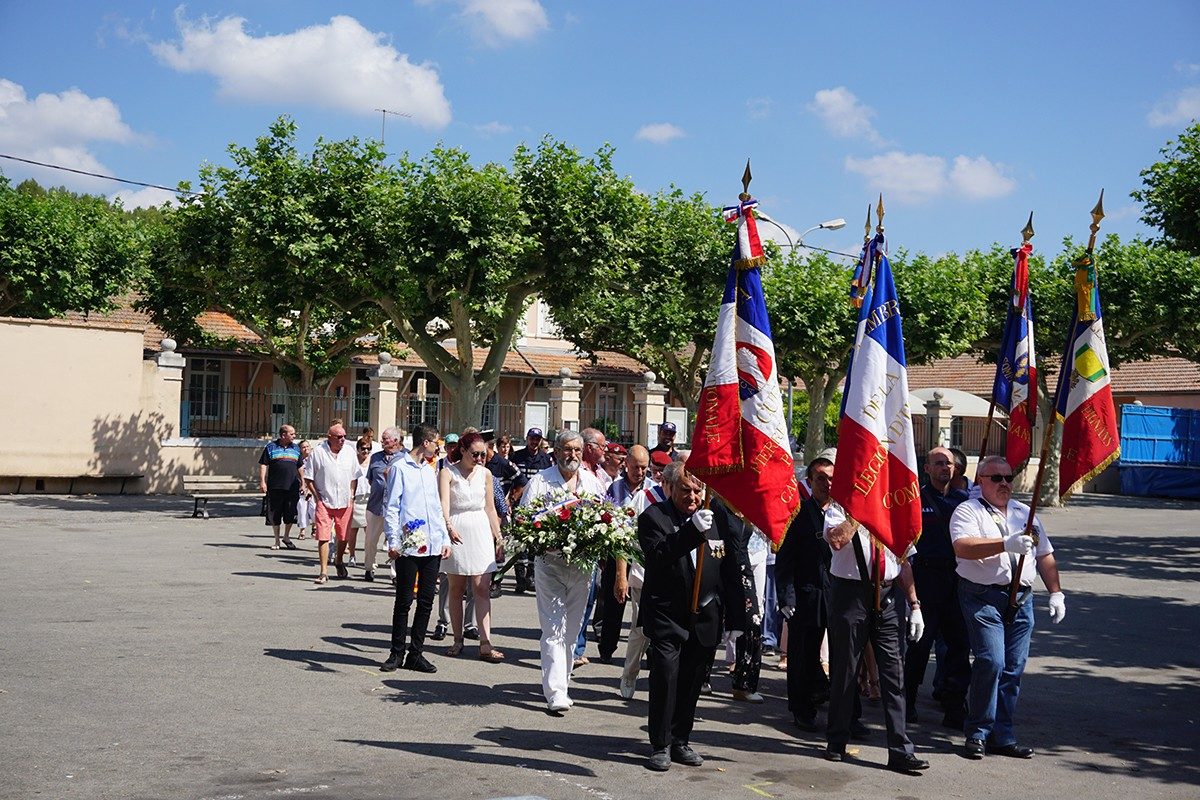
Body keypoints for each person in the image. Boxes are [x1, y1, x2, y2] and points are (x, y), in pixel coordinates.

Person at [951, 454, 1065, 760]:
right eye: (996, 478)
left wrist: (1056, 592)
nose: (1004, 484)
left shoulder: (1023, 513)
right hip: (982, 596)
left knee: (1014, 669)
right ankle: (978, 732)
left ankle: (1002, 734)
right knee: (992, 661)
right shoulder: (968, 511)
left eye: (1008, 478)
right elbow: (962, 547)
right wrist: (1005, 544)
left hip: (1021, 600)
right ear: (981, 481)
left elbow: (1045, 555)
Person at [823, 503, 928, 774]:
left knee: (894, 675)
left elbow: (903, 561)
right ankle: (837, 740)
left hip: (889, 595)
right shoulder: (838, 507)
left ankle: (901, 750)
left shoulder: (893, 506)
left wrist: (914, 604)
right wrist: (859, 513)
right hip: (851, 594)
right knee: (846, 669)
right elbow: (835, 540)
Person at [638, 461, 722, 771]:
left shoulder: (714, 514)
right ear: (671, 488)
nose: (693, 496)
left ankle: (681, 740)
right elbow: (659, 555)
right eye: (686, 489)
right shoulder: (653, 517)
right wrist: (690, 531)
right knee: (666, 677)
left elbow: (727, 563)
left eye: (698, 490)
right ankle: (660, 744)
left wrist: (739, 617)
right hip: (666, 614)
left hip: (703, 614)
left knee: (691, 681)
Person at [521, 429, 605, 713]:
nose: (572, 455)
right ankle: (555, 692)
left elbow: (606, 518)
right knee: (553, 627)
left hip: (583, 567)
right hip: (550, 566)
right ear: (555, 452)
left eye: (577, 450)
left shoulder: (593, 483)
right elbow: (524, 521)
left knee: (573, 627)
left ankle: (563, 683)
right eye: (567, 450)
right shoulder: (540, 482)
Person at [905, 446, 972, 728]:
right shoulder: (916, 499)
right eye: (939, 463)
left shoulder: (966, 502)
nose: (946, 468)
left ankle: (954, 703)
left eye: (950, 464)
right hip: (926, 578)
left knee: (959, 645)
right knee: (919, 645)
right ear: (927, 468)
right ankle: (907, 701)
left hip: (957, 580)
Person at [379, 424, 451, 674]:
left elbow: (435, 508)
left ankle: (416, 653)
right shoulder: (400, 468)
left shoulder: (429, 470)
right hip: (409, 546)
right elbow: (391, 507)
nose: (438, 448)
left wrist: (444, 539)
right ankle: (396, 652)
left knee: (426, 601)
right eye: (436, 443)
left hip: (431, 545)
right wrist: (393, 540)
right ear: (425, 443)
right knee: (404, 600)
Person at [776, 453, 835, 732]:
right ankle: (802, 709)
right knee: (802, 656)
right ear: (810, 482)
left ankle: (847, 712)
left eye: (832, 478)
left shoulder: (845, 514)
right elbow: (785, 560)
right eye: (821, 478)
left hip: (838, 597)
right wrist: (786, 597)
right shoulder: (798, 514)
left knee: (841, 656)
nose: (827, 484)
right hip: (806, 596)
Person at [438, 431, 505, 662]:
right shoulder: (447, 473)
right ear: (463, 451)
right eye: (475, 454)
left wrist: (498, 536)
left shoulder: (485, 474)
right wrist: (448, 527)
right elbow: (443, 505)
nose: (479, 459)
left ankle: (485, 643)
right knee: (456, 589)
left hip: (480, 529)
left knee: (482, 587)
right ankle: (457, 639)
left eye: (483, 454)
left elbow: (490, 508)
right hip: (457, 527)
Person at [599, 445, 650, 667]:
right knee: (614, 600)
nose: (639, 472)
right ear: (626, 464)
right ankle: (607, 647)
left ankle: (648, 651)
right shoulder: (614, 488)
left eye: (644, 468)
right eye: (636, 467)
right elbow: (606, 517)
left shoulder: (653, 490)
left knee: (646, 605)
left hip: (641, 553)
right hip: (617, 550)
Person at [716, 499, 765, 704]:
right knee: (710, 623)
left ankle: (743, 683)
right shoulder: (716, 505)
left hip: (743, 570)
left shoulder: (746, 503)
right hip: (718, 571)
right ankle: (699, 677)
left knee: (752, 624)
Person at [305, 423, 359, 585]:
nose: (343, 440)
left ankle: (339, 560)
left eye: (344, 436)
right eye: (339, 437)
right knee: (323, 536)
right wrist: (317, 497)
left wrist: (352, 495)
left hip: (344, 501)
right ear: (330, 437)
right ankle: (323, 571)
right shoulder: (318, 453)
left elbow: (354, 476)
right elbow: (309, 478)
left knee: (344, 537)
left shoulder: (349, 452)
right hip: (325, 501)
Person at [509, 427, 553, 593]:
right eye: (532, 438)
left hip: (538, 508)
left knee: (535, 543)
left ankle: (531, 576)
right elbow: (512, 479)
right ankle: (520, 579)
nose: (534, 442)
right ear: (527, 439)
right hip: (520, 505)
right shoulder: (517, 456)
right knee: (520, 543)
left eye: (537, 439)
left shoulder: (546, 459)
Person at [363, 427, 404, 582]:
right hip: (376, 505)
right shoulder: (375, 458)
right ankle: (369, 567)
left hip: (396, 507)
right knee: (371, 539)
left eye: (386, 439)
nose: (382, 442)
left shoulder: (404, 458)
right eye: (382, 439)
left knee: (396, 540)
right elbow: (370, 479)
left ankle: (395, 574)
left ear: (396, 440)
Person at [258, 424, 301, 550]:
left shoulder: (296, 448)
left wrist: (303, 482)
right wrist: (262, 482)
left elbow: (300, 467)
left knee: (290, 513)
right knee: (275, 513)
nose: (294, 436)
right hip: (275, 486)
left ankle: (286, 537)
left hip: (292, 486)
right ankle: (276, 540)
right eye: (292, 434)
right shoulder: (271, 447)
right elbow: (263, 465)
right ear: (283, 435)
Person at [346, 435, 373, 567]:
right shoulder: (353, 462)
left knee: (369, 533)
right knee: (353, 531)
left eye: (368, 449)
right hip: (356, 499)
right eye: (363, 449)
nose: (366, 451)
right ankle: (352, 556)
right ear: (357, 449)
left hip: (369, 499)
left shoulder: (372, 463)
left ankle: (369, 559)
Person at [295, 440, 315, 539]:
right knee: (302, 508)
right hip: (302, 488)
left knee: (314, 508)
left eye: (307, 446)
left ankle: (314, 528)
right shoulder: (298, 461)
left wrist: (311, 490)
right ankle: (302, 531)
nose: (306, 448)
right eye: (303, 447)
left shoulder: (315, 459)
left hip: (313, 488)